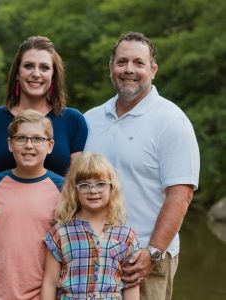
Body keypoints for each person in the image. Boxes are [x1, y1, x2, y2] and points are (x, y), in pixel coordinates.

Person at [84, 32, 200, 300]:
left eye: (138, 63)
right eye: (122, 61)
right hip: (91, 258)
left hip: (143, 261)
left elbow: (180, 195)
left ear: (153, 70)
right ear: (111, 67)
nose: (129, 70)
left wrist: (153, 252)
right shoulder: (91, 119)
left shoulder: (171, 122)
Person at [0, 36, 87, 235]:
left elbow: (76, 184)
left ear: (54, 76)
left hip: (57, 235)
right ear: (17, 73)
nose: (36, 74)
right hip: (2, 233)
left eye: (44, 68)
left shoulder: (73, 120)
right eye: (29, 66)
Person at [0, 109, 65, 300]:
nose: (29, 145)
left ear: (50, 145)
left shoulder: (62, 188)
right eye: (21, 139)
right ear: (10, 144)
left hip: (38, 294)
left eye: (37, 139)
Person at [40, 152, 140, 300]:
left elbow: (131, 286)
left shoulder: (126, 235)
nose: (93, 191)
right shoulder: (60, 233)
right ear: (75, 190)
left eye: (100, 184)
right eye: (84, 185)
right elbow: (50, 283)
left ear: (112, 187)